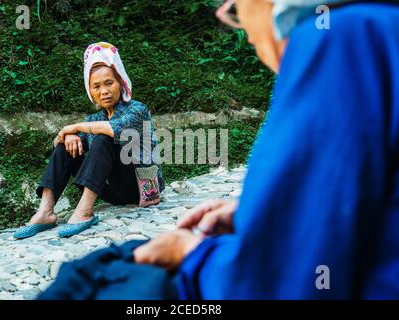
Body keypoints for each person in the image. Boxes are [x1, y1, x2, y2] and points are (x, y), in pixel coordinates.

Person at [133, 0, 399, 299]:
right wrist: (264, 209)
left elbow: (287, 279)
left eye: (234, 8)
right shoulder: (384, 25)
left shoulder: (339, 40)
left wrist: (191, 253)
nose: (245, 33)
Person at [14, 42, 164, 239]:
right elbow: (56, 144)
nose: (104, 91)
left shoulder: (138, 110)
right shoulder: (93, 120)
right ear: (90, 91)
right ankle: (46, 211)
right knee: (65, 145)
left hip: (141, 189)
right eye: (96, 86)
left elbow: (113, 129)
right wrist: (68, 135)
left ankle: (84, 211)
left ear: (120, 82)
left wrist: (73, 128)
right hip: (112, 191)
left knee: (104, 138)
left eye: (109, 83)